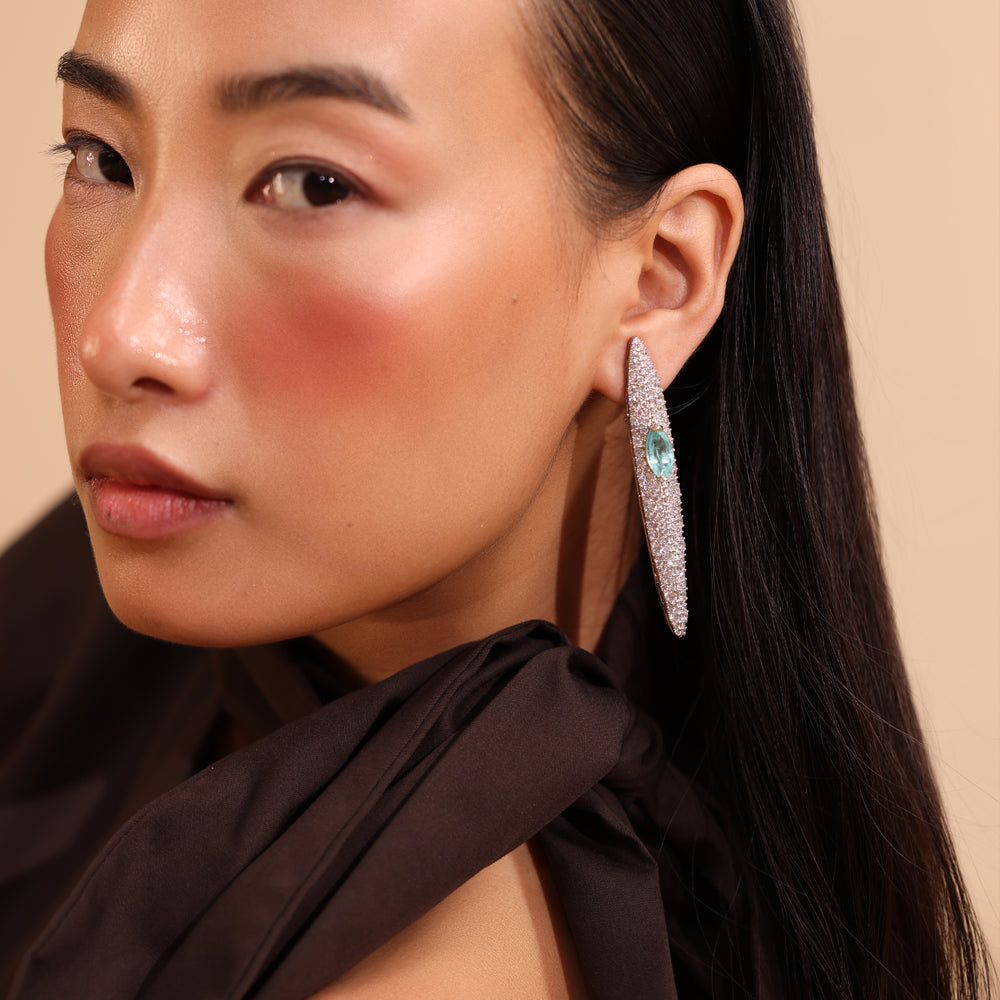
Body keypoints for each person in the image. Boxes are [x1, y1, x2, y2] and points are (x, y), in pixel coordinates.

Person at [0, 0, 993, 996]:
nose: (118, 336)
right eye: (103, 159)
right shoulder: (120, 609)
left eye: (313, 183)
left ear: (658, 277)